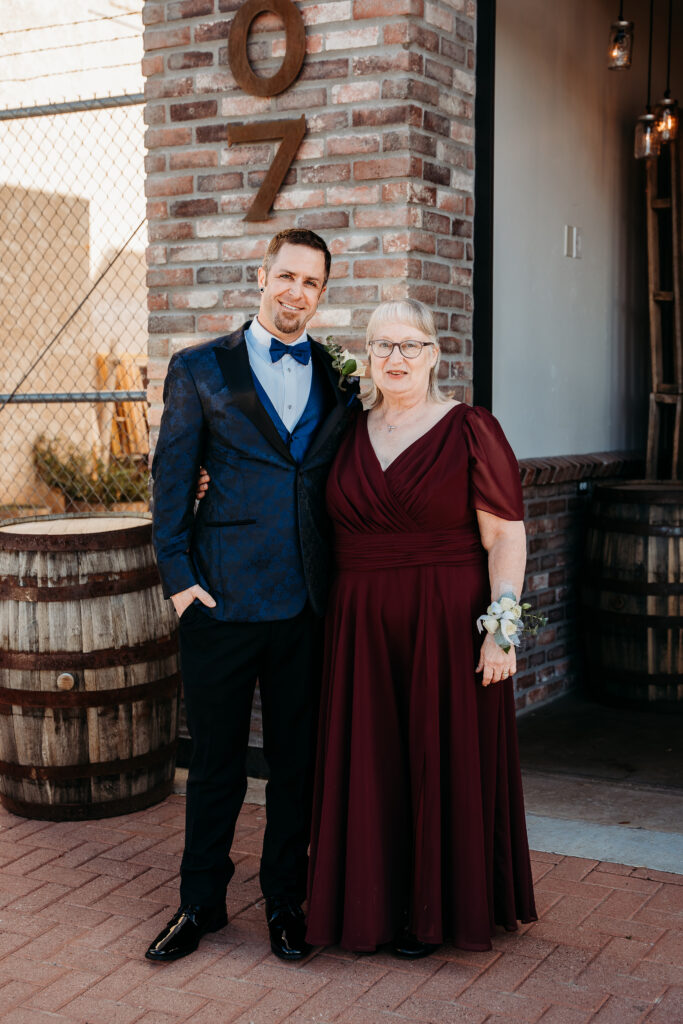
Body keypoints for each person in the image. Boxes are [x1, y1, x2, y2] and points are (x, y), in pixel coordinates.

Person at [147, 228, 360, 964]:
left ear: (322, 294)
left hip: (305, 606)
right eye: (287, 277)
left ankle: (285, 903)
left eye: (312, 284)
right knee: (214, 765)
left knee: (296, 764)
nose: (296, 292)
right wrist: (180, 585)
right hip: (219, 603)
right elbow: (171, 483)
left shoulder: (339, 378)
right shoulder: (200, 369)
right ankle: (199, 903)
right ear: (261, 276)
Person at [305, 298, 537, 956]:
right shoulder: (343, 429)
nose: (395, 358)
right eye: (382, 346)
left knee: (440, 760)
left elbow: (506, 540)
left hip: (447, 623)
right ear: (367, 356)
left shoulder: (469, 429)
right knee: (372, 762)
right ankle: (371, 904)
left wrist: (502, 628)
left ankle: (435, 911)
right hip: (359, 630)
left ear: (435, 355)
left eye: (409, 345)